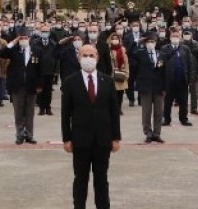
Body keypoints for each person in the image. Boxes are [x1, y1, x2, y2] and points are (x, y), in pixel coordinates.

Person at [61, 43, 121, 209]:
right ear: (78, 58)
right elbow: (65, 113)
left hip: (103, 139)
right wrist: (66, 139)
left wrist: (116, 137)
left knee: (101, 179)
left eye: (91, 55)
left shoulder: (107, 81)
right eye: (84, 55)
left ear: (97, 58)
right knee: (80, 179)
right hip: (80, 140)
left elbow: (114, 112)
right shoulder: (70, 82)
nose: (88, 59)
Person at [3, 27, 43, 145]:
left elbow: (41, 69)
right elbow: (2, 54)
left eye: (26, 37)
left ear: (29, 38)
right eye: (21, 38)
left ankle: (29, 135)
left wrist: (40, 84)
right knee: (19, 112)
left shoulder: (37, 50)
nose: (24, 40)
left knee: (30, 112)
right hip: (17, 86)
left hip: (32, 85)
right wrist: (13, 43)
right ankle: (20, 134)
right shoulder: (14, 50)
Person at [132, 31, 165, 143]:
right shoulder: (140, 53)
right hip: (145, 86)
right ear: (145, 43)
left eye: (153, 41)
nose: (151, 44)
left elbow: (164, 71)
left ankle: (157, 133)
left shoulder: (160, 54)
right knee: (146, 112)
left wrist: (165, 87)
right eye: (149, 42)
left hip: (158, 87)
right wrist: (137, 42)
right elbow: (130, 53)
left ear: (156, 43)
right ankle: (148, 133)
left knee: (159, 112)